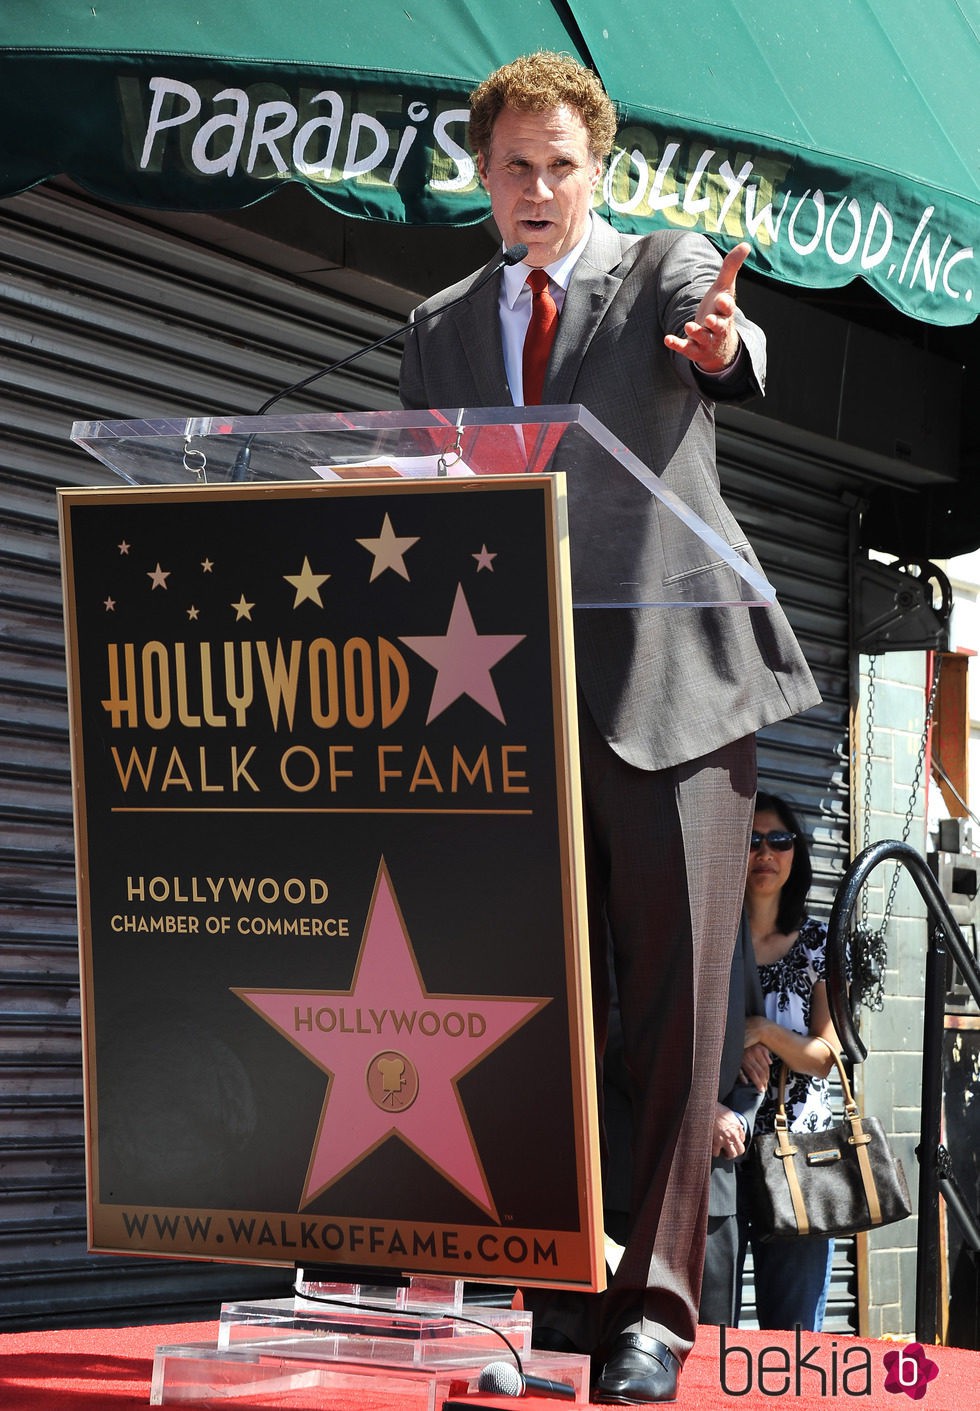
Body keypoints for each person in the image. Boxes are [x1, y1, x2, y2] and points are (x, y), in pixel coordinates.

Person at [400, 51, 821, 1404]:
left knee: (681, 1010)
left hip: (674, 688)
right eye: (514, 165)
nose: (537, 188)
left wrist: (727, 349)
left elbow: (733, 344)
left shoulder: (662, 272)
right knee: (554, 1019)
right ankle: (568, 1306)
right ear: (481, 173)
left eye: (561, 166)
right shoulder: (438, 325)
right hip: (513, 698)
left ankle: (660, 1304)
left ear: (600, 172)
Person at [736, 793, 841, 1332]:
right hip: (721, 1154)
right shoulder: (715, 938)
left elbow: (826, 1056)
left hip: (799, 1155)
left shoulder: (817, 943)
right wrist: (733, 1046)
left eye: (779, 840)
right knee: (710, 1330)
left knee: (795, 1335)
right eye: (752, 839)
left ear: (795, 853)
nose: (765, 852)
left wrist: (764, 1031)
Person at [698, 913, 769, 1328]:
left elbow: (751, 1043)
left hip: (717, 1177)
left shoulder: (731, 914)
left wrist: (740, 1121)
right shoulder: (624, 898)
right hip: (628, 1184)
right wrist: (696, 1110)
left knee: (712, 1350)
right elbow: (610, 1032)